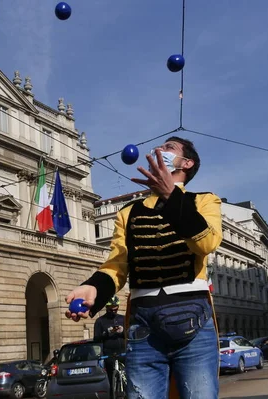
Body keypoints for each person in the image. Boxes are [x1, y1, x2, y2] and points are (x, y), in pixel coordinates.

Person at [65, 137, 223, 398]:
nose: (159, 150)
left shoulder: (204, 201)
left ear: (186, 163)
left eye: (169, 148)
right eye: (158, 147)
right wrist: (94, 288)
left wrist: (171, 195)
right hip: (143, 323)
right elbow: (117, 263)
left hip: (193, 316)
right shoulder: (128, 212)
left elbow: (207, 243)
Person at [94, 295, 126, 387]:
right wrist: (107, 333)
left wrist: (122, 331)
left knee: (127, 378)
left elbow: (130, 335)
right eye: (110, 310)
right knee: (112, 380)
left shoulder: (122, 318)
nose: (113, 312)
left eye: (115, 310)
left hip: (123, 352)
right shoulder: (100, 321)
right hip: (109, 354)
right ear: (106, 308)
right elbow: (96, 339)